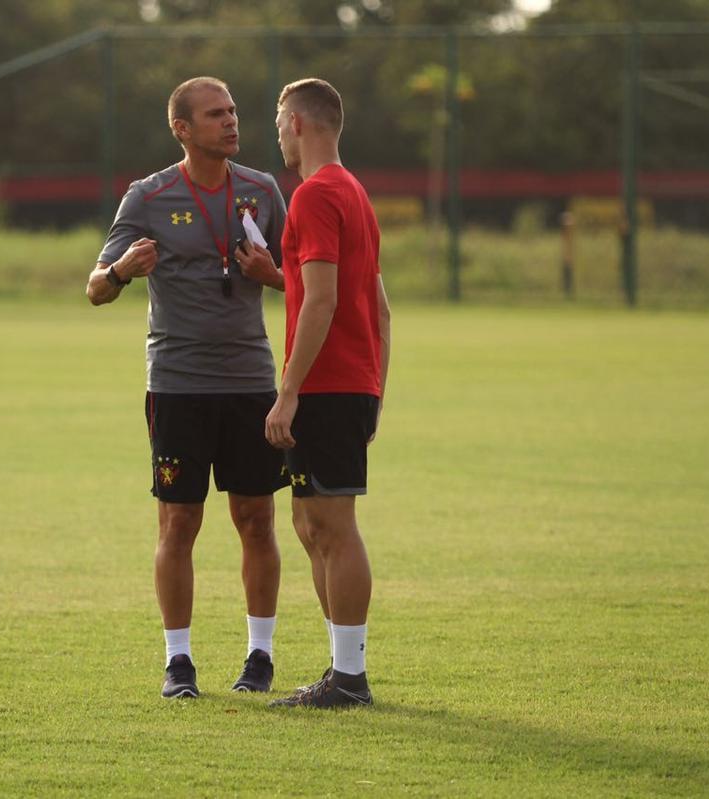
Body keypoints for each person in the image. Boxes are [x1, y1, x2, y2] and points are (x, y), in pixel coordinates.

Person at [86, 77, 289, 699]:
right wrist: (124, 269)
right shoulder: (148, 196)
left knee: (256, 519)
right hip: (177, 385)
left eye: (233, 111)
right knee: (179, 522)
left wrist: (270, 274)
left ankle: (260, 656)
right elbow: (96, 286)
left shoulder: (261, 190)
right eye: (214, 115)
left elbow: (308, 280)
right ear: (182, 128)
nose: (230, 123)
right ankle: (179, 662)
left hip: (251, 381)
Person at [264, 78, 391, 708]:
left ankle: (350, 680)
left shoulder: (315, 195)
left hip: (325, 386)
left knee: (333, 527)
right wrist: (377, 389)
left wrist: (289, 392)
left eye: (278, 121)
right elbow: (382, 309)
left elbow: (324, 298)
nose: (277, 134)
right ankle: (340, 671)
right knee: (311, 524)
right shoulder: (356, 194)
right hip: (348, 384)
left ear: (299, 124)